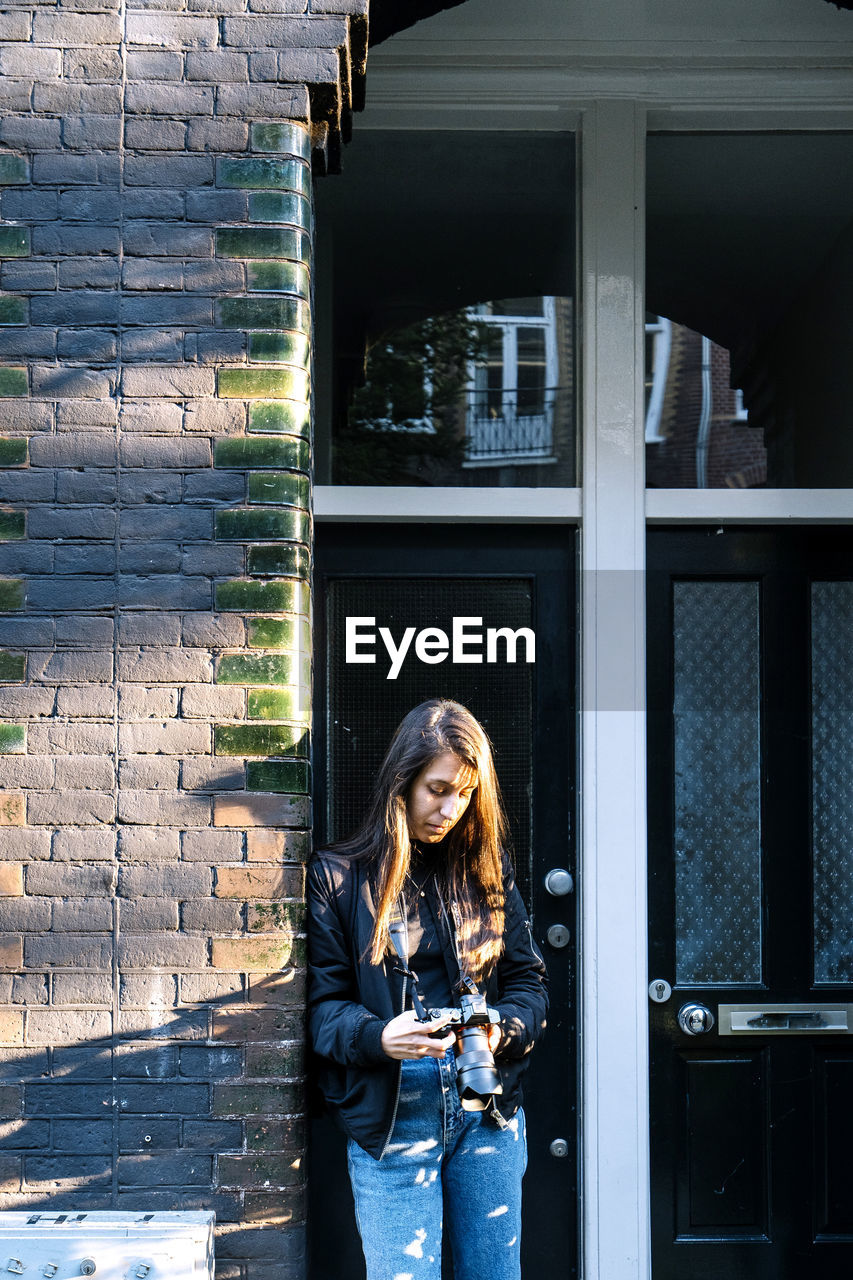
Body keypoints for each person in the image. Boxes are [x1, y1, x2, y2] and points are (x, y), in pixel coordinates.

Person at [307, 698, 549, 1280]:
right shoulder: (338, 878)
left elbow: (528, 984)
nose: (449, 809)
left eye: (464, 795)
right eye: (437, 789)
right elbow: (321, 1008)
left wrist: (502, 1030)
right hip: (394, 1107)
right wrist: (377, 1036)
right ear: (403, 782)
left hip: (485, 1101)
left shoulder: (488, 872)